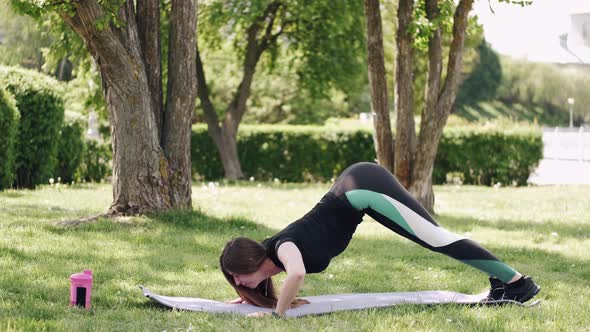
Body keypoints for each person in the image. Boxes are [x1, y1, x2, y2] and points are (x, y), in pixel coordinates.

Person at [219, 162, 540, 317]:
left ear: (251, 262)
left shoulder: (281, 248)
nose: (236, 280)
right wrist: (247, 295)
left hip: (362, 187)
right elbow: (277, 282)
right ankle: (505, 285)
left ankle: (516, 283)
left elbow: (298, 274)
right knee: (435, 239)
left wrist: (277, 316)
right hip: (359, 193)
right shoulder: (272, 254)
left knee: (437, 239)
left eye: (236, 275)